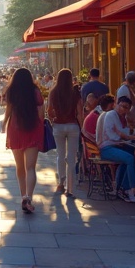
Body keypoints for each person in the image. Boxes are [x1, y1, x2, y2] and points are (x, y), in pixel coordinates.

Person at [1, 68, 44, 214]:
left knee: (20, 167)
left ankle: (22, 196)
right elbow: (41, 113)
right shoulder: (35, 91)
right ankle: (29, 197)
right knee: (30, 167)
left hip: (15, 129)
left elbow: (8, 109)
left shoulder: (12, 91)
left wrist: (4, 122)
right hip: (32, 128)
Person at [47, 68, 83, 197]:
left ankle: (60, 183)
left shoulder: (54, 92)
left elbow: (49, 110)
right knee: (71, 158)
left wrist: (53, 119)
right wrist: (82, 126)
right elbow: (79, 112)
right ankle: (70, 189)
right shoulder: (75, 92)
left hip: (58, 126)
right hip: (73, 126)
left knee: (60, 156)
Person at [99, 96, 135, 203]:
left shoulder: (118, 116)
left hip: (115, 146)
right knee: (130, 158)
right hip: (107, 148)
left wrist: (133, 133)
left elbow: (123, 131)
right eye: (123, 106)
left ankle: (121, 187)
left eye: (127, 108)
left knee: (131, 154)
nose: (124, 110)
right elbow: (113, 135)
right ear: (116, 104)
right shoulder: (111, 115)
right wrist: (129, 137)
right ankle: (131, 190)